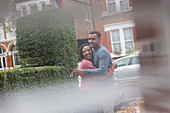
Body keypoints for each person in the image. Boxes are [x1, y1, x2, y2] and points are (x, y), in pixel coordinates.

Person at [72, 31, 117, 113]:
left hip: (107, 87)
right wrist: (112, 68)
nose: (90, 41)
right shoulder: (93, 51)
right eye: (89, 39)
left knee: (108, 111)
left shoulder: (102, 52)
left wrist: (84, 71)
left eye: (93, 39)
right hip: (95, 90)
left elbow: (102, 72)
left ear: (99, 39)